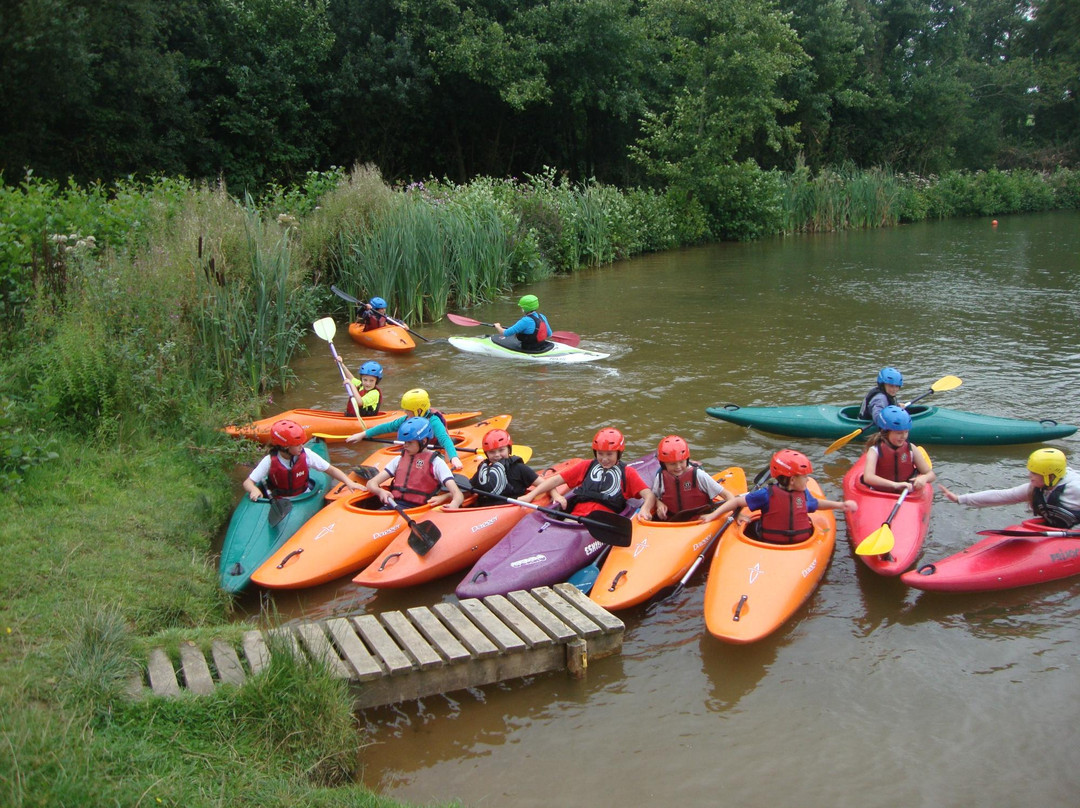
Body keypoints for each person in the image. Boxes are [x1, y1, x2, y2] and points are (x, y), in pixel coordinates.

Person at [707, 449, 857, 543]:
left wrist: (839, 505)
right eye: (804, 477)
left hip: (769, 539)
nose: (807, 480)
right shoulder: (798, 495)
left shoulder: (767, 494)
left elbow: (736, 502)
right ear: (792, 480)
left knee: (752, 522)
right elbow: (735, 501)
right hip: (800, 540)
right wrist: (713, 515)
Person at [519, 427, 657, 517]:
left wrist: (645, 509)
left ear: (618, 453)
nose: (604, 459)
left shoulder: (628, 473)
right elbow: (555, 480)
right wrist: (531, 495)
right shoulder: (586, 466)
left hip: (602, 522)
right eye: (600, 454)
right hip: (576, 517)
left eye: (609, 454)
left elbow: (649, 495)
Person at [939, 447, 1080, 528]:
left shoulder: (1075, 488)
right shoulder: (1036, 488)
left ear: (1050, 476)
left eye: (1035, 473)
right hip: (1059, 529)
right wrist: (960, 499)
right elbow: (1002, 496)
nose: (1029, 476)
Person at [242, 419, 363, 501]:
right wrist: (253, 490)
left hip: (304, 496)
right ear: (285, 446)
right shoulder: (269, 461)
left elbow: (331, 470)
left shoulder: (307, 455)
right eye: (297, 444)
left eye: (302, 443)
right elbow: (248, 482)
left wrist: (349, 482)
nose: (302, 446)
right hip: (280, 499)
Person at [346, 388, 464, 470]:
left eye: (407, 410)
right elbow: (387, 427)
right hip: (418, 447)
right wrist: (364, 434)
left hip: (436, 447)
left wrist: (454, 458)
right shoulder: (407, 419)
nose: (405, 412)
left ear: (418, 410)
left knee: (448, 458)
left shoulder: (433, 421)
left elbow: (444, 439)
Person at [364, 417, 464, 509]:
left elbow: (458, 495)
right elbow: (371, 483)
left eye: (409, 442)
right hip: (394, 507)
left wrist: (453, 504)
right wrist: (380, 491)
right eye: (404, 442)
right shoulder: (398, 460)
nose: (405, 446)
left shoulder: (436, 463)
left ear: (424, 441)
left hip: (419, 511)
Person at [639, 435, 735, 521]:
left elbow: (727, 496)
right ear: (663, 464)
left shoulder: (699, 475)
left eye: (681, 462)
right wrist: (659, 503)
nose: (678, 467)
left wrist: (734, 514)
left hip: (701, 520)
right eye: (672, 464)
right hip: (672, 522)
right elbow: (654, 496)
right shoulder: (661, 477)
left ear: (687, 459)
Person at [860, 405, 936, 493]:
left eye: (906, 432)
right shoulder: (874, 450)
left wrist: (924, 478)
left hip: (906, 493)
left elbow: (931, 475)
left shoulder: (912, 448)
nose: (903, 436)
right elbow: (868, 477)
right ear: (885, 431)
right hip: (880, 493)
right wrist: (894, 485)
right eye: (898, 433)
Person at [468, 428, 539, 504]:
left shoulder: (519, 468)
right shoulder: (484, 471)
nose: (497, 455)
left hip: (511, 506)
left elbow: (545, 483)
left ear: (509, 449)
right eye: (492, 452)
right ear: (486, 454)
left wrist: (530, 496)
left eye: (501, 450)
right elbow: (469, 487)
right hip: (485, 508)